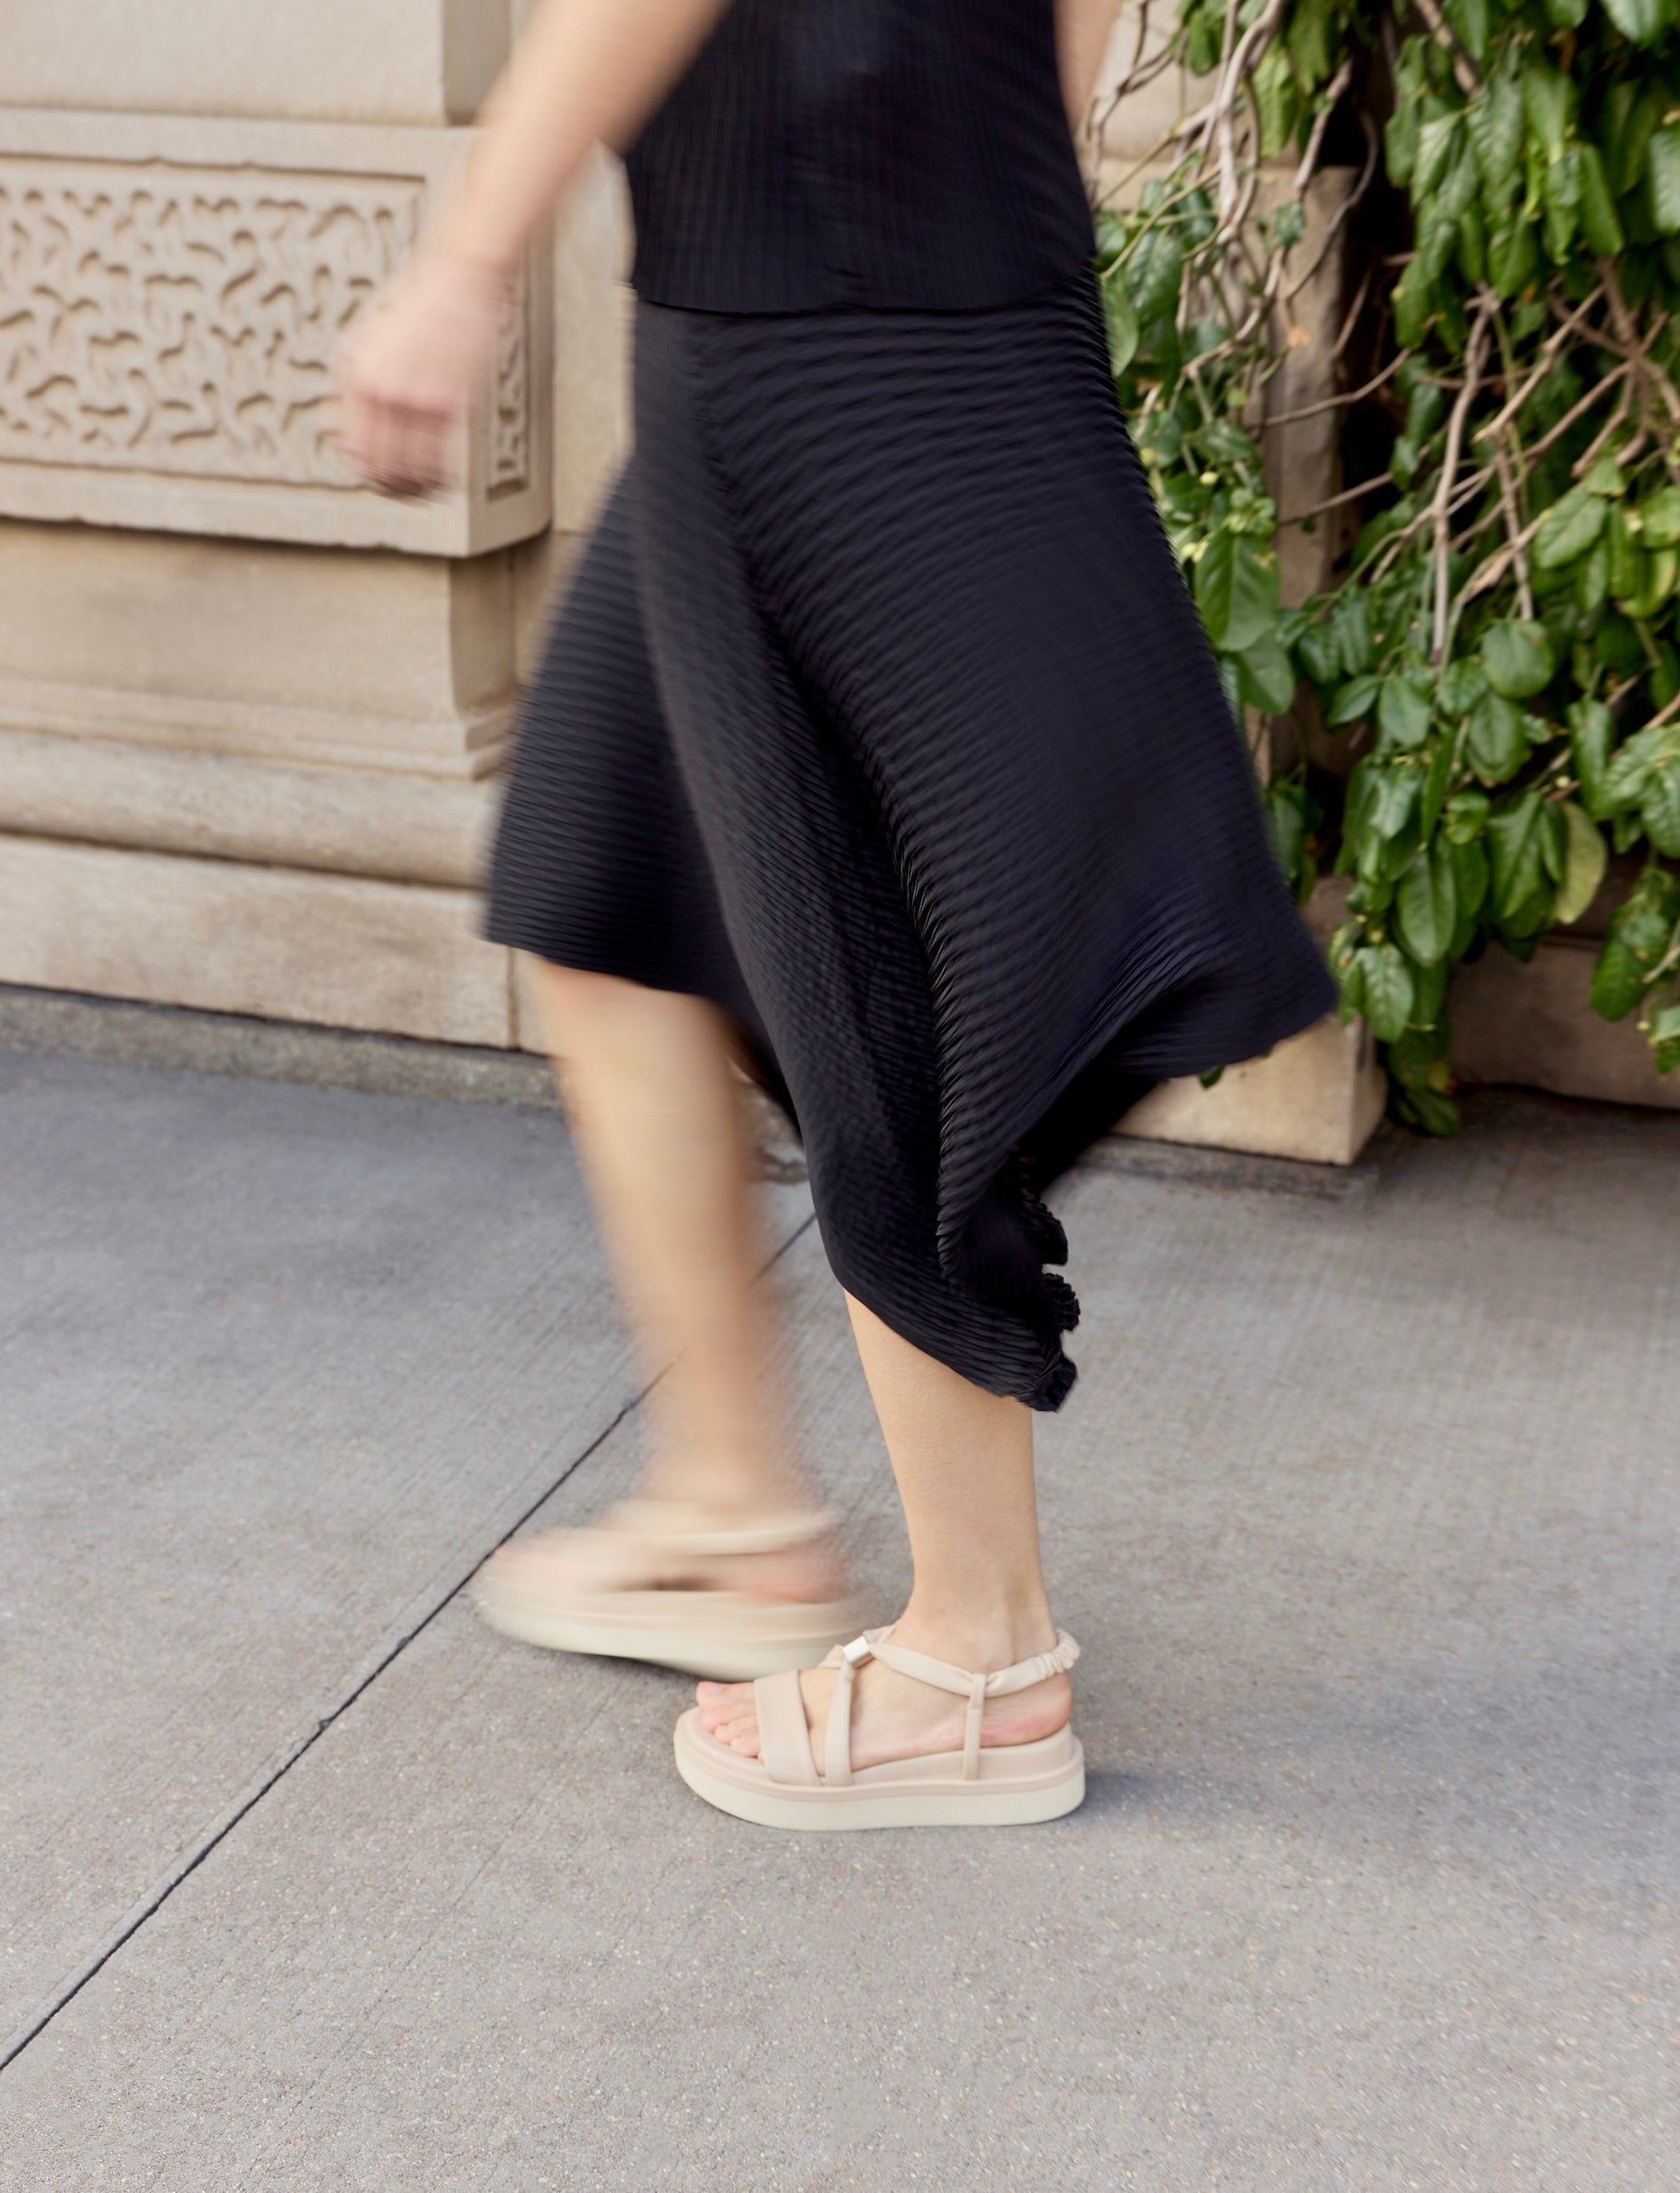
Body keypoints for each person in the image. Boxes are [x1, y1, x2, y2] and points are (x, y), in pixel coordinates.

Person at [335, 0, 1333, 1831]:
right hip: (876, 234)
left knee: (872, 951)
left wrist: (466, 258)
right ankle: (730, 1500)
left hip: (814, 294)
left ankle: (980, 1663)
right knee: (602, 855)